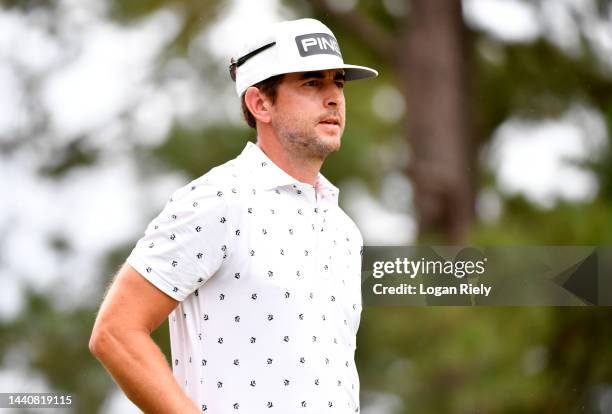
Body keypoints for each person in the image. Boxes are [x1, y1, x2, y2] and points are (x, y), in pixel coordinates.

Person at [89, 18, 377, 414]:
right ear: (260, 103)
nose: (333, 98)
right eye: (312, 83)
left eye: (338, 83)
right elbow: (116, 332)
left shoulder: (345, 231)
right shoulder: (218, 200)